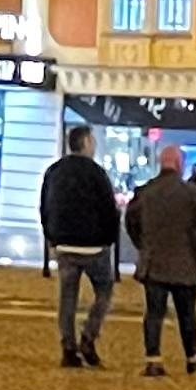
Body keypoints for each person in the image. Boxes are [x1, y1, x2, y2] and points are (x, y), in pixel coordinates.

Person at [124, 141, 196, 375]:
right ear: (179, 164)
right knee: (187, 313)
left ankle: (153, 359)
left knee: (154, 313)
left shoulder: (145, 192)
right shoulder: (193, 193)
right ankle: (192, 355)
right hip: (185, 263)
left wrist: (142, 245)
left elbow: (130, 221)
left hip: (153, 261)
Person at [39, 123, 122, 367]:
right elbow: (109, 210)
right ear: (86, 143)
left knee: (68, 298)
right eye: (93, 141)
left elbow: (44, 207)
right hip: (93, 245)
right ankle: (89, 335)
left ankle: (68, 347)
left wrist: (51, 237)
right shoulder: (96, 173)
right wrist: (108, 239)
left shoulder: (54, 171)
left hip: (64, 244)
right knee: (104, 292)